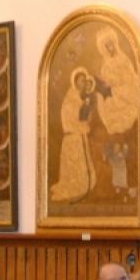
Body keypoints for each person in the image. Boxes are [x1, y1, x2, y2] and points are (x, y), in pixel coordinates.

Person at [50, 67, 97, 203]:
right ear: (75, 82)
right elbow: (69, 117)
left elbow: (83, 116)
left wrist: (86, 117)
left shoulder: (80, 97)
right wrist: (81, 126)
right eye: (81, 81)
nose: (83, 83)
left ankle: (82, 184)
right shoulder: (71, 98)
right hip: (73, 136)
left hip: (79, 135)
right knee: (72, 166)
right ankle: (75, 186)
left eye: (84, 81)